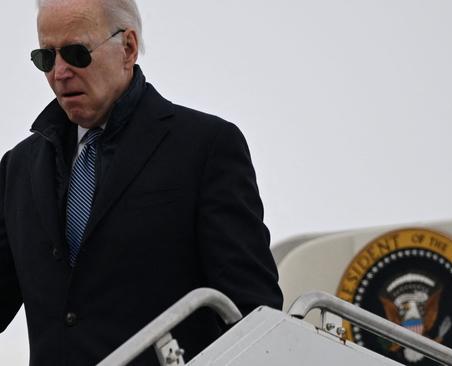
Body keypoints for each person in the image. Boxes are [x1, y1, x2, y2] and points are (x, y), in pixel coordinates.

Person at [0, 0, 283, 364]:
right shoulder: (18, 168)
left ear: (128, 47)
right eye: (46, 57)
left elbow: (252, 314)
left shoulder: (205, 147)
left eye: (76, 53)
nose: (60, 71)